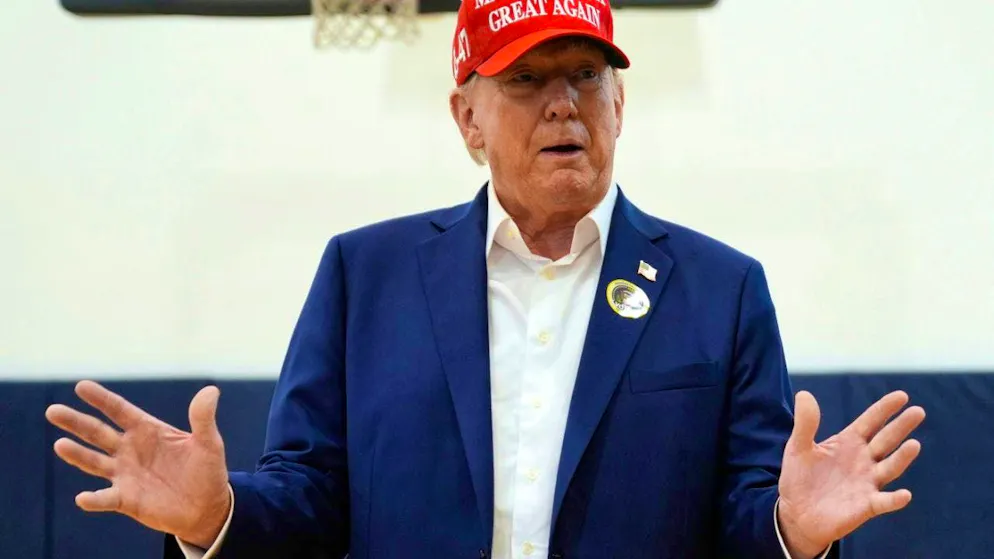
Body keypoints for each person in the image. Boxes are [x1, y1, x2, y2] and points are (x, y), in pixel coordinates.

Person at [44, 0, 926, 557]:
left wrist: (792, 534)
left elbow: (746, 518)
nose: (563, 104)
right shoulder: (364, 275)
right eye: (527, 79)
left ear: (621, 104)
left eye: (586, 75)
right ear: (466, 116)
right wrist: (217, 517)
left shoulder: (723, 288)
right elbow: (309, 501)